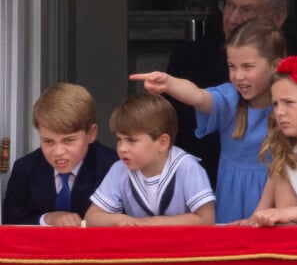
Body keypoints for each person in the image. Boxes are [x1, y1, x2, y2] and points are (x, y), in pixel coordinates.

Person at [130, 19, 286, 223]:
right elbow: (198, 96)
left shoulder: (287, 105)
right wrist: (169, 83)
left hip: (275, 195)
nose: (238, 76)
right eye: (232, 66)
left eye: (248, 66)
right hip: (231, 198)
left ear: (276, 66)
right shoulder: (231, 97)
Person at [166, 0, 296, 190]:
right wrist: (168, 83)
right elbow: (199, 98)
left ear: (278, 17)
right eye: (229, 5)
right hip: (222, 194)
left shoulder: (292, 83)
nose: (233, 18)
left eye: (247, 9)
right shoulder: (194, 62)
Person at [85, 93, 215, 226]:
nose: (122, 148)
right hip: (139, 246)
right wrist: (117, 220)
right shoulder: (119, 170)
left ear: (162, 143)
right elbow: (91, 218)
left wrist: (154, 223)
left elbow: (206, 219)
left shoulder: (187, 167)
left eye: (131, 140)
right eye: (119, 139)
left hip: (183, 245)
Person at [2, 82, 118, 226]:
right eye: (48, 141)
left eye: (68, 140)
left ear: (91, 134)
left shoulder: (113, 167)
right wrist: (47, 219)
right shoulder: (25, 168)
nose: (58, 152)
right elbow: (11, 224)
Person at [252, 56, 297, 227]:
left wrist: (287, 213)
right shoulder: (288, 152)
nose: (279, 112)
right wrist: (255, 220)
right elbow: (267, 212)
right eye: (275, 104)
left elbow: (285, 213)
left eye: (288, 102)